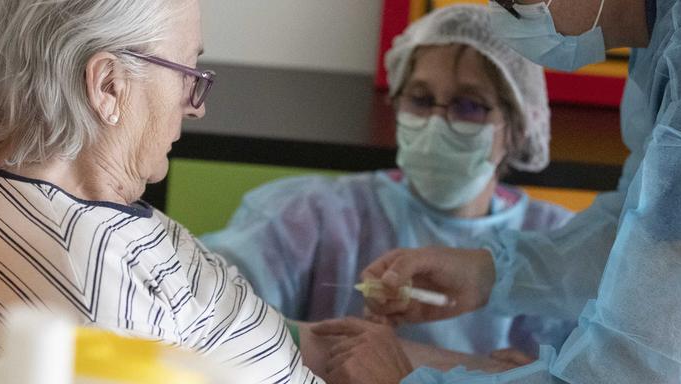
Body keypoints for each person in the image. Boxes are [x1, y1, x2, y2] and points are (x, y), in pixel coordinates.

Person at [313, 0, 681, 383]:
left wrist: (405, 380)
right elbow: (654, 234)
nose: (503, 13)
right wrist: (492, 273)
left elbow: (636, 373)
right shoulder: (674, 35)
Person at [0, 1, 324, 382]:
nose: (197, 108)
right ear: (108, 85)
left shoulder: (52, 195)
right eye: (187, 74)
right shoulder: (96, 287)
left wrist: (314, 344)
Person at [201, 4, 575, 365]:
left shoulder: (557, 244)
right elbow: (200, 305)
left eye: (469, 104)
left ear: (517, 126)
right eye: (421, 99)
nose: (435, 122)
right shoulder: (314, 216)